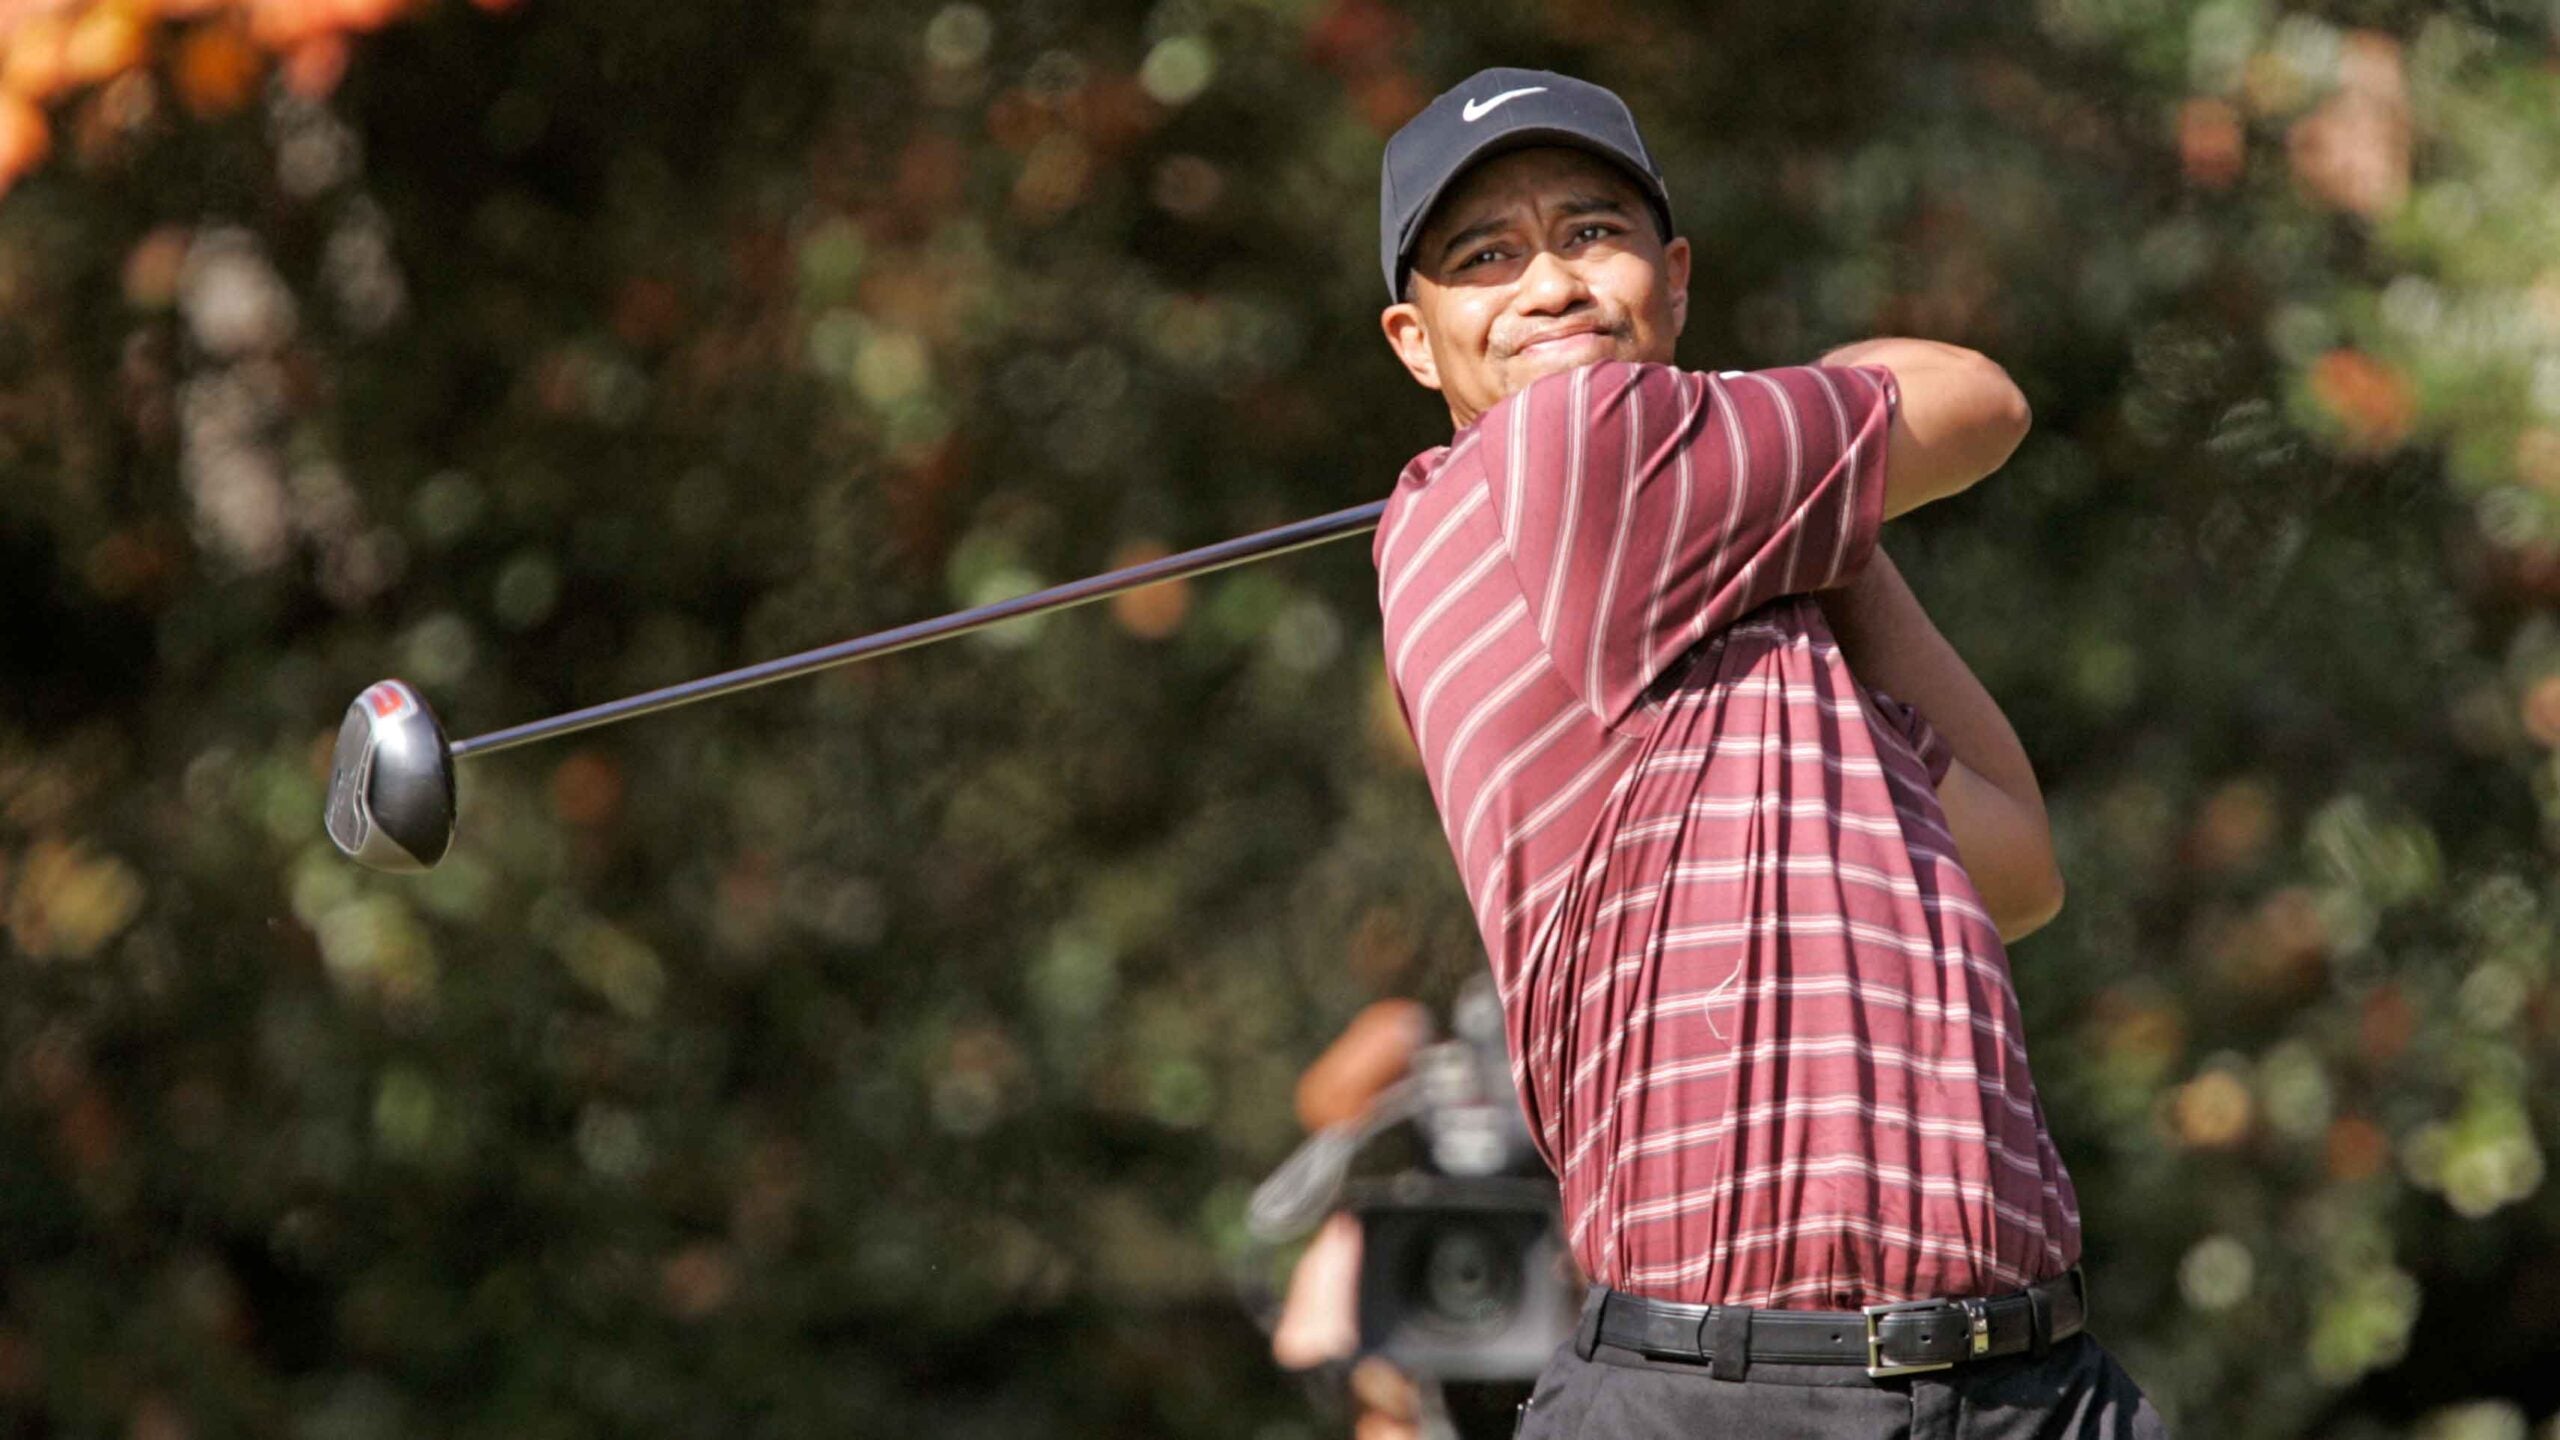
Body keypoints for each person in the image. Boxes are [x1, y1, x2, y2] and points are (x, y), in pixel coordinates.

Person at [1367, 68, 2167, 1437]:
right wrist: (1769, 434)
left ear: (1674, 276)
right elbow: (1979, 398)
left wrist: (1802, 521)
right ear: (1416, 344)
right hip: (1738, 1397)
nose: (1549, 285)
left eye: (1590, 233)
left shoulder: (1744, 618)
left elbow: (2015, 867)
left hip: (2031, 1382)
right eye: (1485, 258)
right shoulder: (1575, 442)